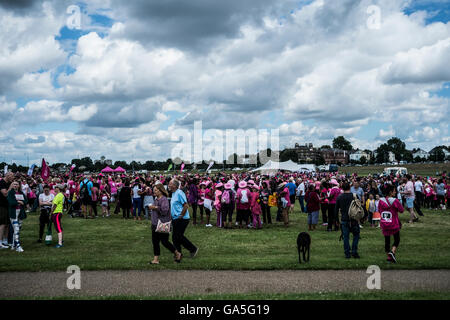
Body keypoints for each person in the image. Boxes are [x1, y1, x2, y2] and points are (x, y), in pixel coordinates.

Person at [147, 183, 182, 264]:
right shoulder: (156, 199)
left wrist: (154, 207)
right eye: (154, 190)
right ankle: (156, 259)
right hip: (155, 224)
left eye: (156, 190)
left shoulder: (164, 199)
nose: (154, 192)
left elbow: (164, 211)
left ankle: (177, 253)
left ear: (161, 191)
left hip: (162, 224)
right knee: (155, 242)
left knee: (165, 242)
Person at [169, 179, 198, 259]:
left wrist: (181, 215)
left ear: (175, 186)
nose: (169, 185)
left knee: (178, 236)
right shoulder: (173, 193)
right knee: (175, 237)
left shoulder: (179, 193)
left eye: (170, 184)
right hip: (175, 218)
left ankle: (193, 249)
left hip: (182, 218)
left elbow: (186, 205)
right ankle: (178, 254)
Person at [378, 184, 404, 263]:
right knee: (397, 239)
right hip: (393, 223)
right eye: (394, 191)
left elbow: (379, 210)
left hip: (385, 223)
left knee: (387, 241)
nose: (395, 192)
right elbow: (401, 210)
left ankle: (389, 257)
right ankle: (392, 252)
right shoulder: (395, 201)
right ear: (390, 192)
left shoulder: (381, 201)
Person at [335, 182, 360, 259]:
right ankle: (354, 251)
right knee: (356, 235)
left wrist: (336, 220)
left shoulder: (340, 197)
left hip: (344, 218)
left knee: (346, 237)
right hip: (354, 218)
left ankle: (347, 253)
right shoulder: (354, 196)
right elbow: (359, 207)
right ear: (350, 187)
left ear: (342, 188)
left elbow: (336, 210)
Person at [7, 181, 28, 252]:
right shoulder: (10, 193)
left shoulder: (21, 193)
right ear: (12, 185)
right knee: (16, 229)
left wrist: (22, 202)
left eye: (17, 184)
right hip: (13, 213)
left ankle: (13, 244)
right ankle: (18, 245)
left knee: (18, 229)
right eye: (14, 184)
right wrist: (19, 202)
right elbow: (11, 202)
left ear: (19, 185)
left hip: (20, 213)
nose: (15, 185)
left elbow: (25, 201)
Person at [0, 172, 14, 249]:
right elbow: (5, 194)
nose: (12, 178)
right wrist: (10, 187)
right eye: (11, 176)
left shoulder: (9, 183)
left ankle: (5, 241)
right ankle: (0, 242)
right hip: (1, 206)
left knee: (7, 224)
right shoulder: (1, 182)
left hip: (8, 205)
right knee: (2, 224)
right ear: (7, 176)